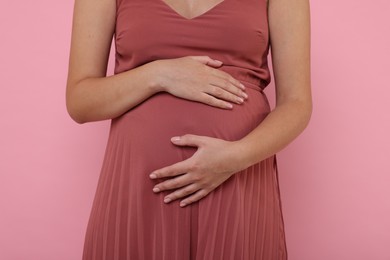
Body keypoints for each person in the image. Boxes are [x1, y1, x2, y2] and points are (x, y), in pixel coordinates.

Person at [66, 0, 312, 258]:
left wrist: (235, 157)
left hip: (237, 180)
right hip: (137, 187)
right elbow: (80, 101)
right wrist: (160, 74)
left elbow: (296, 103)